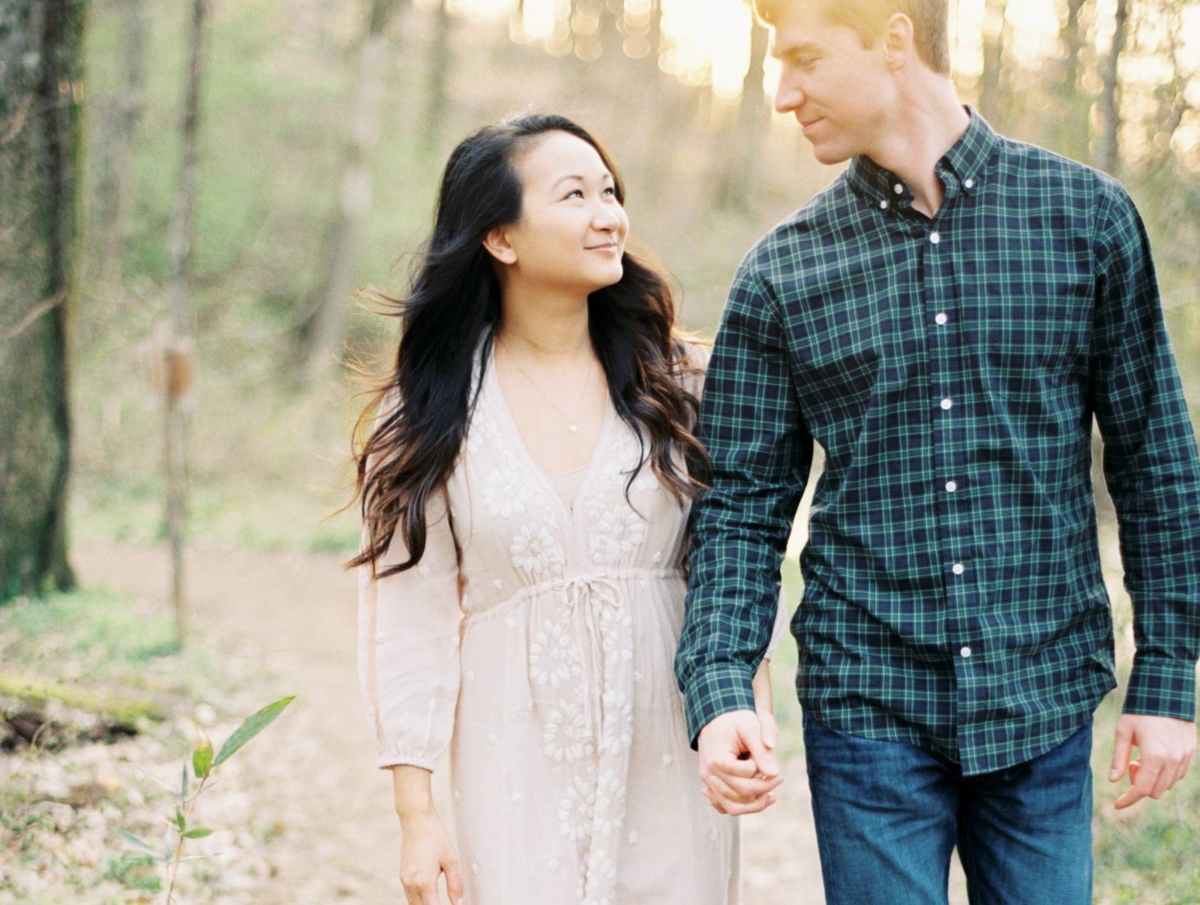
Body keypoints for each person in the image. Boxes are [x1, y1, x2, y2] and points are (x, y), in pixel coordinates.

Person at [675, 0, 1200, 902]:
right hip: (867, 700)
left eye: (803, 58)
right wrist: (722, 684)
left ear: (893, 36)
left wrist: (1167, 678)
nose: (782, 93)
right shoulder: (781, 272)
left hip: (1043, 697)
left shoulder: (1088, 219)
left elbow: (1155, 458)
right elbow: (740, 508)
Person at [351, 114, 785, 905]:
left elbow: (732, 552)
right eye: (574, 194)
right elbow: (406, 615)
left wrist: (742, 703)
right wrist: (417, 817)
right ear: (501, 239)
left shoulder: (684, 383)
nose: (608, 214)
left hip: (665, 743)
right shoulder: (426, 413)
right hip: (511, 749)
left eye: (611, 192)